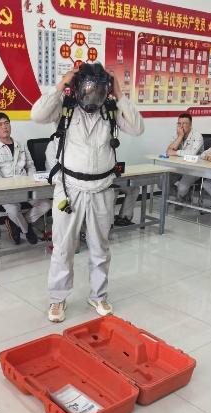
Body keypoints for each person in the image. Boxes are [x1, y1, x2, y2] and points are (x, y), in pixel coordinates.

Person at [31, 62, 144, 322]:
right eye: (89, 90)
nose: (93, 97)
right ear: (78, 88)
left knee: (100, 246)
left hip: (102, 188)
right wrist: (62, 84)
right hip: (69, 189)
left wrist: (120, 94)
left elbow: (138, 128)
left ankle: (98, 295)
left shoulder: (111, 110)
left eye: (99, 91)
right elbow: (37, 114)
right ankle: (57, 298)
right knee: (63, 246)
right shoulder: (65, 108)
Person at [0, 112, 51, 245]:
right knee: (13, 210)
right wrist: (8, 188)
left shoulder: (21, 146)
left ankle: (16, 224)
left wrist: (31, 182)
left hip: (26, 188)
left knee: (45, 204)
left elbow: (30, 166)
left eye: (6, 123)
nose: (4, 127)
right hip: (5, 191)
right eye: (0, 124)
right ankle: (26, 230)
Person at [166, 113, 204, 208]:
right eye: (179, 123)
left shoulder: (197, 135)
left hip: (194, 168)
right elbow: (169, 150)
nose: (181, 126)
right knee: (162, 182)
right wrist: (179, 137)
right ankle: (183, 196)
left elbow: (192, 153)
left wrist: (175, 152)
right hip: (180, 166)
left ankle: (179, 201)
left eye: (184, 123)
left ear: (190, 125)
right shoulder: (178, 134)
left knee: (182, 187)